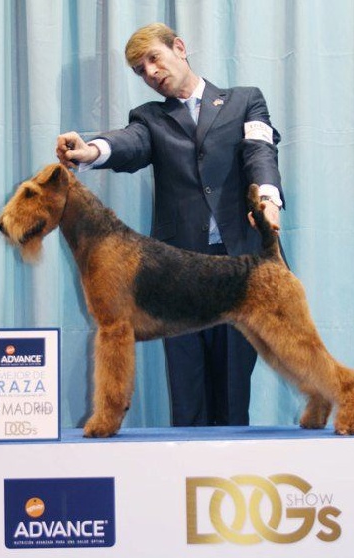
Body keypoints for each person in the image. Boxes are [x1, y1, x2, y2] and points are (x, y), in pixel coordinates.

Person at [56, 22, 285, 427]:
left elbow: (260, 151)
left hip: (240, 268)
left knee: (233, 397)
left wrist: (268, 198)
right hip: (175, 275)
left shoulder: (245, 101)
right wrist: (91, 150)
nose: (150, 73)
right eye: (140, 70)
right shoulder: (150, 118)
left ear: (179, 47)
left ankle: (233, 466)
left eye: (153, 59)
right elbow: (129, 143)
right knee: (187, 398)